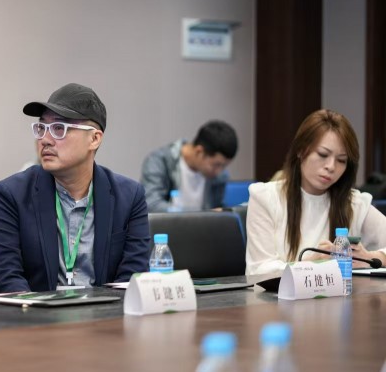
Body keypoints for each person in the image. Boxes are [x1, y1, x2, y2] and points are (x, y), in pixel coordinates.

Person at [0, 83, 150, 292]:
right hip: (38, 310)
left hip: (106, 310)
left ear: (94, 139)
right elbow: (6, 277)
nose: (45, 140)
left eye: (59, 129)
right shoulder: (12, 194)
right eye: (42, 128)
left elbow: (132, 278)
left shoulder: (129, 197)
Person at [246, 109, 386, 275]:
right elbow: (258, 270)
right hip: (274, 293)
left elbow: (371, 257)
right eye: (323, 154)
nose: (331, 167)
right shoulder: (265, 197)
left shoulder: (354, 203)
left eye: (341, 160)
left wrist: (369, 258)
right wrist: (309, 264)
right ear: (301, 150)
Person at [141, 120, 238, 212]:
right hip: (168, 224)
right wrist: (202, 215)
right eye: (216, 165)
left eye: (224, 166)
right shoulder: (159, 161)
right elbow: (151, 204)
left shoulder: (220, 176)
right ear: (199, 152)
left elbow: (218, 208)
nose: (219, 171)